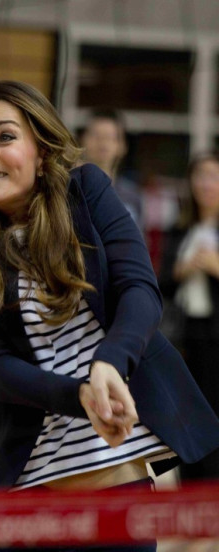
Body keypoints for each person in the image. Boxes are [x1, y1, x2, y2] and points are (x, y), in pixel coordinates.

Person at [0, 81, 219, 552]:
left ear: (40, 153)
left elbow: (140, 290)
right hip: (20, 498)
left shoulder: (85, 192)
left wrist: (110, 363)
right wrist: (80, 396)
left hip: (115, 490)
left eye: (3, 137)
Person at [159, 152, 219, 482]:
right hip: (184, 338)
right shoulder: (179, 230)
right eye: (200, 176)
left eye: (213, 176)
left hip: (216, 338)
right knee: (186, 418)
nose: (205, 184)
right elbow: (160, 283)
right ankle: (189, 497)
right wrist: (183, 268)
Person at [79, 108, 143, 229]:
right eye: (96, 135)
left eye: (109, 137)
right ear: (83, 140)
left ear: (122, 145)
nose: (102, 143)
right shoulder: (69, 191)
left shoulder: (132, 197)